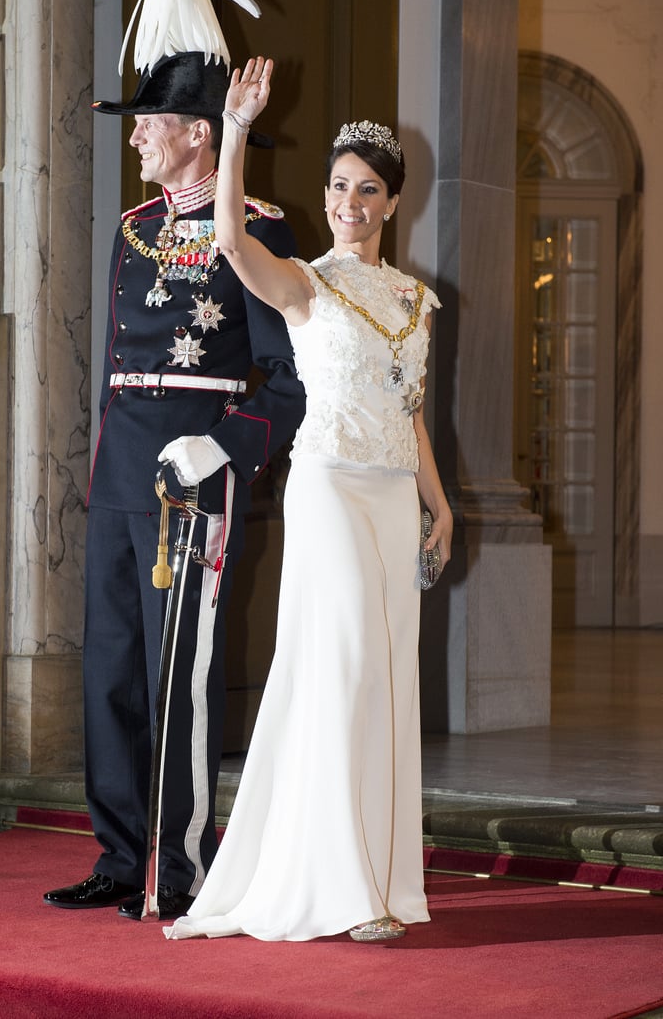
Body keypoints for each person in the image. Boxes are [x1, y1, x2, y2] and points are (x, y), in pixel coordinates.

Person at [165, 56, 453, 943]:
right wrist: (240, 130)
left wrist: (441, 506)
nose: (349, 203)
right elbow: (230, 246)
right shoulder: (306, 283)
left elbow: (410, 415)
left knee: (385, 678)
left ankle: (378, 873)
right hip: (326, 486)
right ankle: (341, 886)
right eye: (337, 187)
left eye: (367, 190)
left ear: (393, 202)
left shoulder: (416, 301)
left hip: (395, 495)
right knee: (349, 663)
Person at [44, 0, 306, 921]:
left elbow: (293, 379)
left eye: (151, 123)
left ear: (202, 134)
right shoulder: (132, 229)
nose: (140, 137)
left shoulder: (259, 233)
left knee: (177, 678)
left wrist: (226, 448)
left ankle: (182, 866)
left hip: (193, 484)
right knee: (110, 672)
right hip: (121, 480)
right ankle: (119, 856)